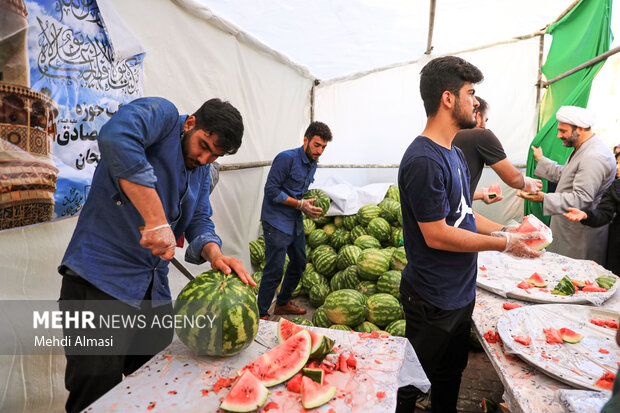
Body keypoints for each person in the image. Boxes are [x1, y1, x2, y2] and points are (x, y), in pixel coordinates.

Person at [58, 97, 254, 413]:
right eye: (203, 145)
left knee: (152, 382)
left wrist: (215, 253)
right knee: (95, 389)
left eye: (213, 155)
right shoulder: (162, 117)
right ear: (190, 123)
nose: (204, 158)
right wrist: (155, 219)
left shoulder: (202, 170)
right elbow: (115, 137)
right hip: (98, 281)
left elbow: (200, 217)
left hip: (151, 289)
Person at [396, 56, 541, 413]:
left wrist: (508, 229)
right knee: (412, 382)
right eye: (470, 93)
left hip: (459, 293)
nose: (475, 101)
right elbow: (438, 235)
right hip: (431, 298)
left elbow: (464, 215)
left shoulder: (455, 154)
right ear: (448, 98)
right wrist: (504, 244)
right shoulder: (423, 161)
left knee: (450, 377)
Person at [519, 106, 616, 264]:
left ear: (580, 128)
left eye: (563, 131)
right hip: (570, 231)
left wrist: (544, 198)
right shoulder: (584, 147)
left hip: (580, 236)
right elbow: (568, 174)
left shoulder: (594, 156)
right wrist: (541, 161)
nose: (559, 136)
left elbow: (582, 198)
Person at [257, 122, 332, 320]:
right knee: (274, 269)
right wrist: (300, 204)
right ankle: (262, 313)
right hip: (276, 221)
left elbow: (299, 193)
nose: (320, 151)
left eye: (323, 147)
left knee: (299, 263)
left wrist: (306, 208)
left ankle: (282, 303)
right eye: (317, 145)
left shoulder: (312, 163)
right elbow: (271, 191)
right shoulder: (286, 158)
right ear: (305, 140)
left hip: (294, 219)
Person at [453, 96, 541, 204]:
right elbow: (513, 178)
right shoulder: (481, 135)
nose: (485, 125)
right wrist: (526, 183)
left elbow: (453, 197)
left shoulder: (448, 137)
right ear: (478, 116)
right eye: (486, 120)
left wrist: (482, 193)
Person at [562, 152, 620, 275]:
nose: (618, 167)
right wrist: (586, 215)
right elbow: (603, 213)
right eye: (618, 163)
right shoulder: (616, 187)